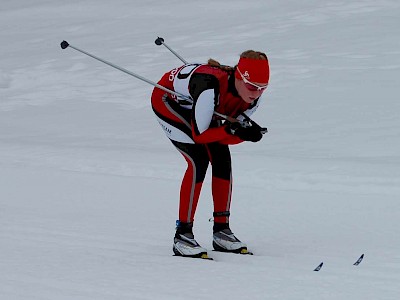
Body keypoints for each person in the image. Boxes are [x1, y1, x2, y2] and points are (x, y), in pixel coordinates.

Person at [151, 50, 270, 258]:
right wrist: (232, 130)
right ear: (240, 77)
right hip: (168, 100)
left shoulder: (252, 98)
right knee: (198, 160)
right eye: (252, 87)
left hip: (199, 106)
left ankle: (222, 231)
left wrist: (242, 134)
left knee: (222, 158)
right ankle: (183, 235)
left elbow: (223, 138)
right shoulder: (209, 87)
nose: (256, 93)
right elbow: (200, 136)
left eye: (262, 88)